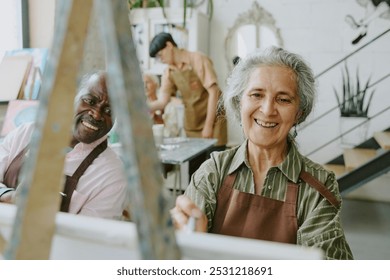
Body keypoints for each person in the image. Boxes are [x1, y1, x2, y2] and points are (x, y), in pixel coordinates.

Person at [170, 47, 354, 260]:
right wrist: (185, 236)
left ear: (299, 113)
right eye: (257, 94)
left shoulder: (318, 186)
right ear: (240, 103)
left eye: (283, 99)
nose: (267, 110)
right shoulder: (214, 172)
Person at [0, 71, 129, 220]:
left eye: (109, 111)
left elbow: (87, 236)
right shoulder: (26, 133)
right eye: (90, 101)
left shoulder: (112, 175)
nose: (96, 115)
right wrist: (10, 196)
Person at [148, 32, 228, 176]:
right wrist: (141, 107)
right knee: (195, 172)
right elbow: (162, 101)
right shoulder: (169, 72)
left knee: (215, 169)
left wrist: (209, 126)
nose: (161, 60)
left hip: (214, 121)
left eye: (161, 55)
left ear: (169, 45)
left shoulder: (197, 59)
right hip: (193, 122)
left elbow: (214, 91)